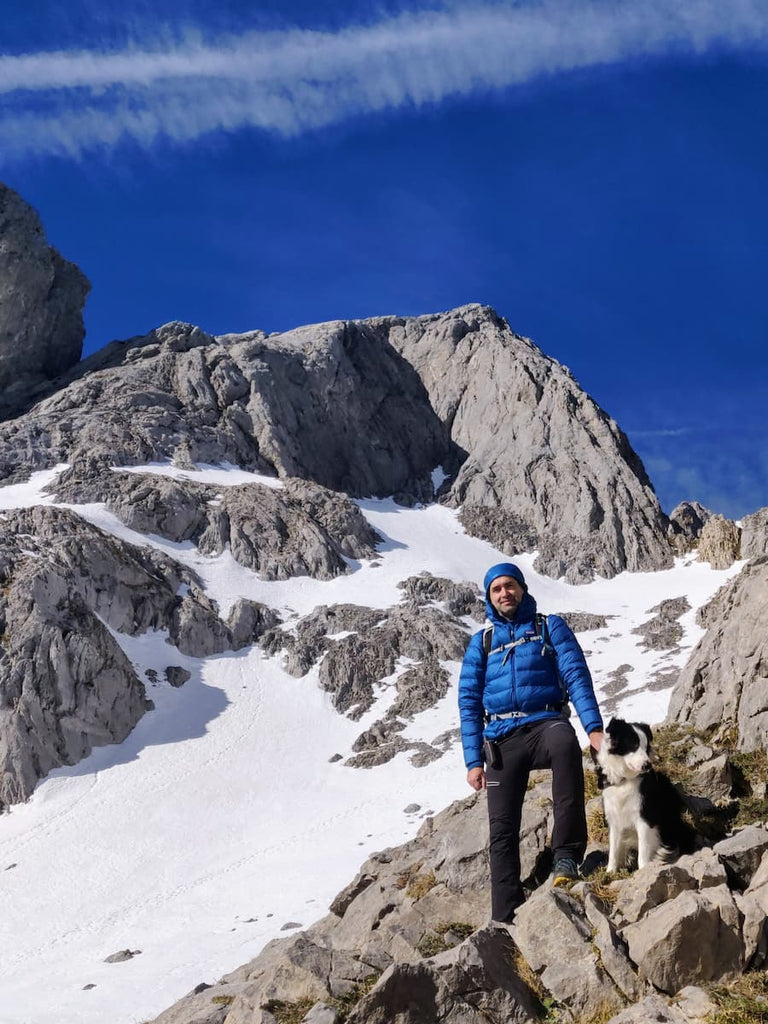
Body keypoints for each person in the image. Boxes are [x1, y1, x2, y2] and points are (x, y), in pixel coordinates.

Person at [458, 562, 603, 923]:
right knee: (501, 827)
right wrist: (474, 761)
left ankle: (566, 856)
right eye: (496, 589)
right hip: (502, 739)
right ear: (490, 597)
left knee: (565, 743)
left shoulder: (548, 627)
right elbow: (469, 702)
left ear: (522, 589)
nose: (504, 593)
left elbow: (576, 675)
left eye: (510, 586)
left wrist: (594, 728)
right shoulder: (483, 643)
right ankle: (503, 916)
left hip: (545, 724)